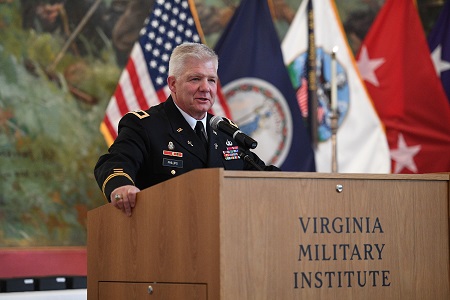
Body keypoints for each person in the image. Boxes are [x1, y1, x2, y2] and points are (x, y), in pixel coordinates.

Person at [94, 42, 279, 216]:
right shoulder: (145, 126)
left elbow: (260, 174)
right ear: (173, 84)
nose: (206, 88)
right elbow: (115, 163)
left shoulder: (224, 132)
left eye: (212, 80)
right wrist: (121, 187)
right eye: (195, 79)